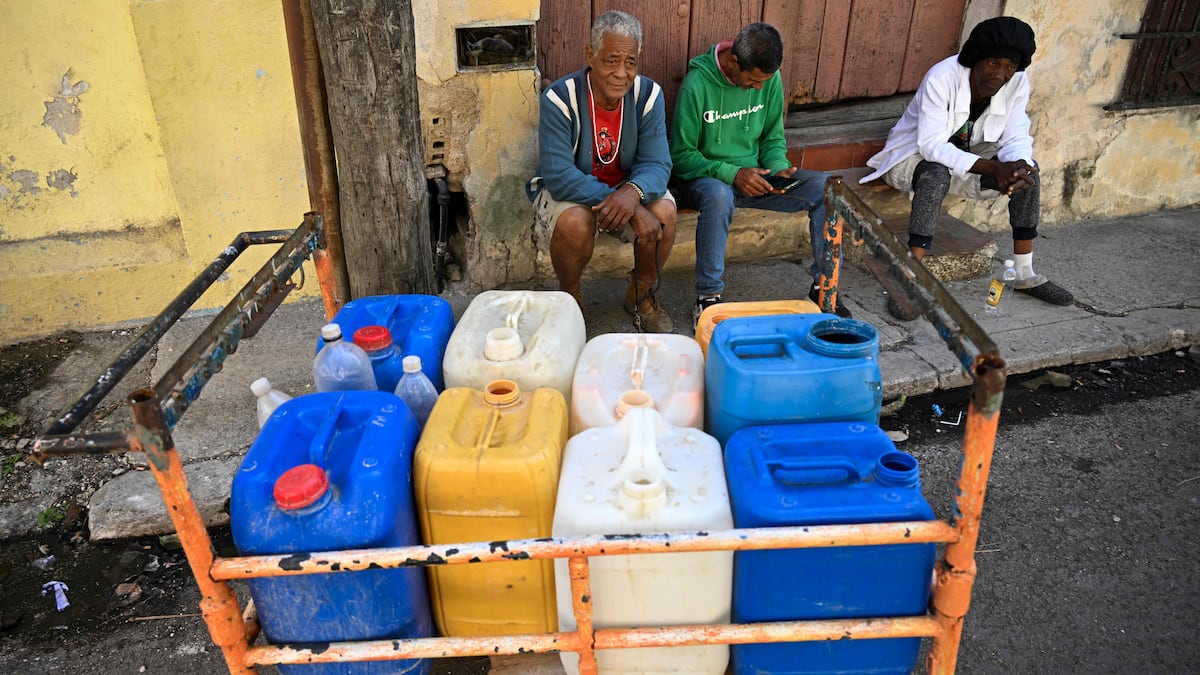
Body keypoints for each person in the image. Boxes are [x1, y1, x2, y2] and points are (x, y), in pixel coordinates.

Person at [860, 16, 1074, 321]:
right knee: (935, 173)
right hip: (912, 159)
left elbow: (1016, 135)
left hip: (969, 161)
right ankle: (908, 277)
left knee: (1029, 172)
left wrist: (1017, 166)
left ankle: (1024, 272)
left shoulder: (1017, 82)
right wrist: (992, 168)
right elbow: (931, 145)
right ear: (976, 58)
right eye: (993, 63)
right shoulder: (942, 77)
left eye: (1009, 66)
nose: (1000, 74)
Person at [671, 22, 847, 324]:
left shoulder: (769, 79)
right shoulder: (696, 85)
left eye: (764, 81)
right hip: (706, 180)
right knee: (719, 196)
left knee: (827, 190)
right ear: (733, 62)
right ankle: (708, 298)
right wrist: (733, 173)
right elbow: (682, 156)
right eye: (753, 81)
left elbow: (772, 139)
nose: (759, 88)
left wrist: (779, 169)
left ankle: (824, 288)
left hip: (757, 179)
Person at [526, 10, 676, 333]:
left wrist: (632, 194)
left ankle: (642, 294)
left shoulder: (648, 96)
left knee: (664, 212)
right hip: (574, 193)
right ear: (590, 55)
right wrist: (627, 204)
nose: (622, 73)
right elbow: (559, 176)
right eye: (611, 60)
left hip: (626, 189)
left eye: (631, 62)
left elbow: (658, 163)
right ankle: (570, 299)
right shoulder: (560, 98)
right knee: (575, 222)